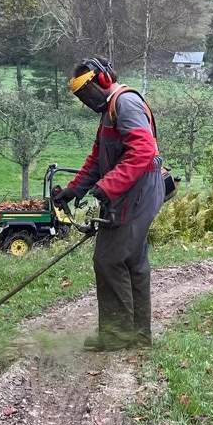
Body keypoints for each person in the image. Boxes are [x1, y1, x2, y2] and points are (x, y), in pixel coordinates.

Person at [54, 57, 164, 351]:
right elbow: (97, 158)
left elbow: (143, 151)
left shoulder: (124, 104)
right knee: (132, 262)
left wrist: (107, 187)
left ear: (102, 80)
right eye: (80, 96)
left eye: (86, 91)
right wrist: (74, 189)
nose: (85, 100)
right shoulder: (109, 111)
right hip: (133, 189)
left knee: (108, 258)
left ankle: (117, 336)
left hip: (138, 191)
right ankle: (138, 336)